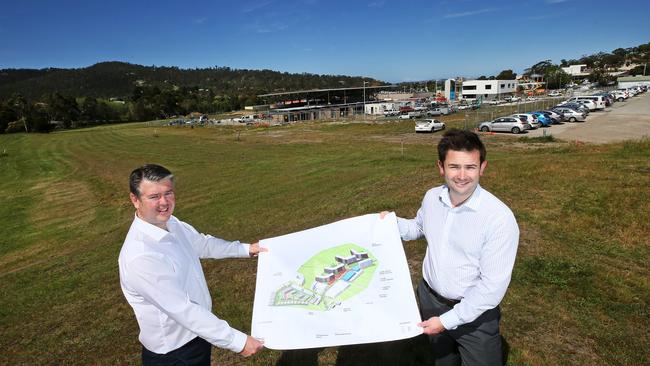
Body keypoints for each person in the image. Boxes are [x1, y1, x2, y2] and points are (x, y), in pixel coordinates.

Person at [382, 129, 519, 366]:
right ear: (441, 167)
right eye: (454, 166)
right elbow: (418, 227)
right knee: (443, 361)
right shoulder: (432, 197)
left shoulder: (499, 219)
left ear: (483, 167)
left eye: (470, 167)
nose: (462, 175)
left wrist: (446, 321)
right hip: (430, 300)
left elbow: (491, 288)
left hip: (475, 316)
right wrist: (389, 224)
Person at [118, 164, 264, 365]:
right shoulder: (141, 256)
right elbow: (182, 310)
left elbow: (202, 244)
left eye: (168, 193)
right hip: (174, 353)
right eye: (154, 197)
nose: (164, 202)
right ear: (135, 199)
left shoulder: (171, 223)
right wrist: (237, 341)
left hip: (197, 336)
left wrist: (246, 249)